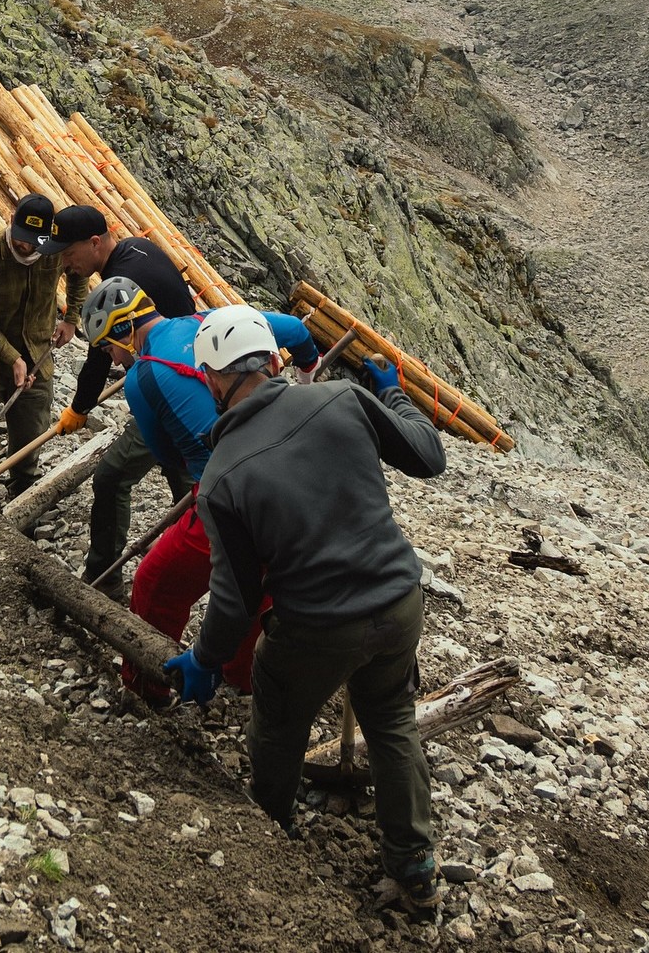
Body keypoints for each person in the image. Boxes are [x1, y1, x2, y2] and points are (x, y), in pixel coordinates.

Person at [160, 305, 446, 908]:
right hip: (399, 599)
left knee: (281, 724)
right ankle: (415, 870)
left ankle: (271, 842)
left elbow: (235, 602)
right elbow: (429, 457)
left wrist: (204, 659)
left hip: (316, 625)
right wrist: (392, 396)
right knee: (391, 719)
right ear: (271, 359)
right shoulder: (342, 397)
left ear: (213, 377)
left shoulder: (220, 477)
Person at [78, 280, 319, 705]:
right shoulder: (216, 320)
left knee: (157, 583)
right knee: (259, 584)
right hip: (295, 473)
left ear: (121, 332)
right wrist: (306, 383)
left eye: (106, 348)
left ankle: (145, 685)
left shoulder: (142, 375)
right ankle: (244, 677)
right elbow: (300, 336)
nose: (111, 359)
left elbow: (164, 452)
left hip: (228, 493)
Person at [40, 204, 197, 595]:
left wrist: (79, 407)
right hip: (186, 377)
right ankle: (201, 548)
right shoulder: (135, 250)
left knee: (111, 477)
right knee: (189, 478)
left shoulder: (122, 280)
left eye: (69, 254)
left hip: (167, 389)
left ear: (95, 242)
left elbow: (99, 351)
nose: (65, 265)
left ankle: (103, 580)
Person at [0, 194, 87, 495]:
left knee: (31, 436)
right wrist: (13, 358)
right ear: (11, 222)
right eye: (22, 238)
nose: (26, 247)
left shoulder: (55, 252)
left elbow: (79, 275)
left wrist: (71, 318)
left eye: (34, 242)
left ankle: (22, 489)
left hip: (37, 349)